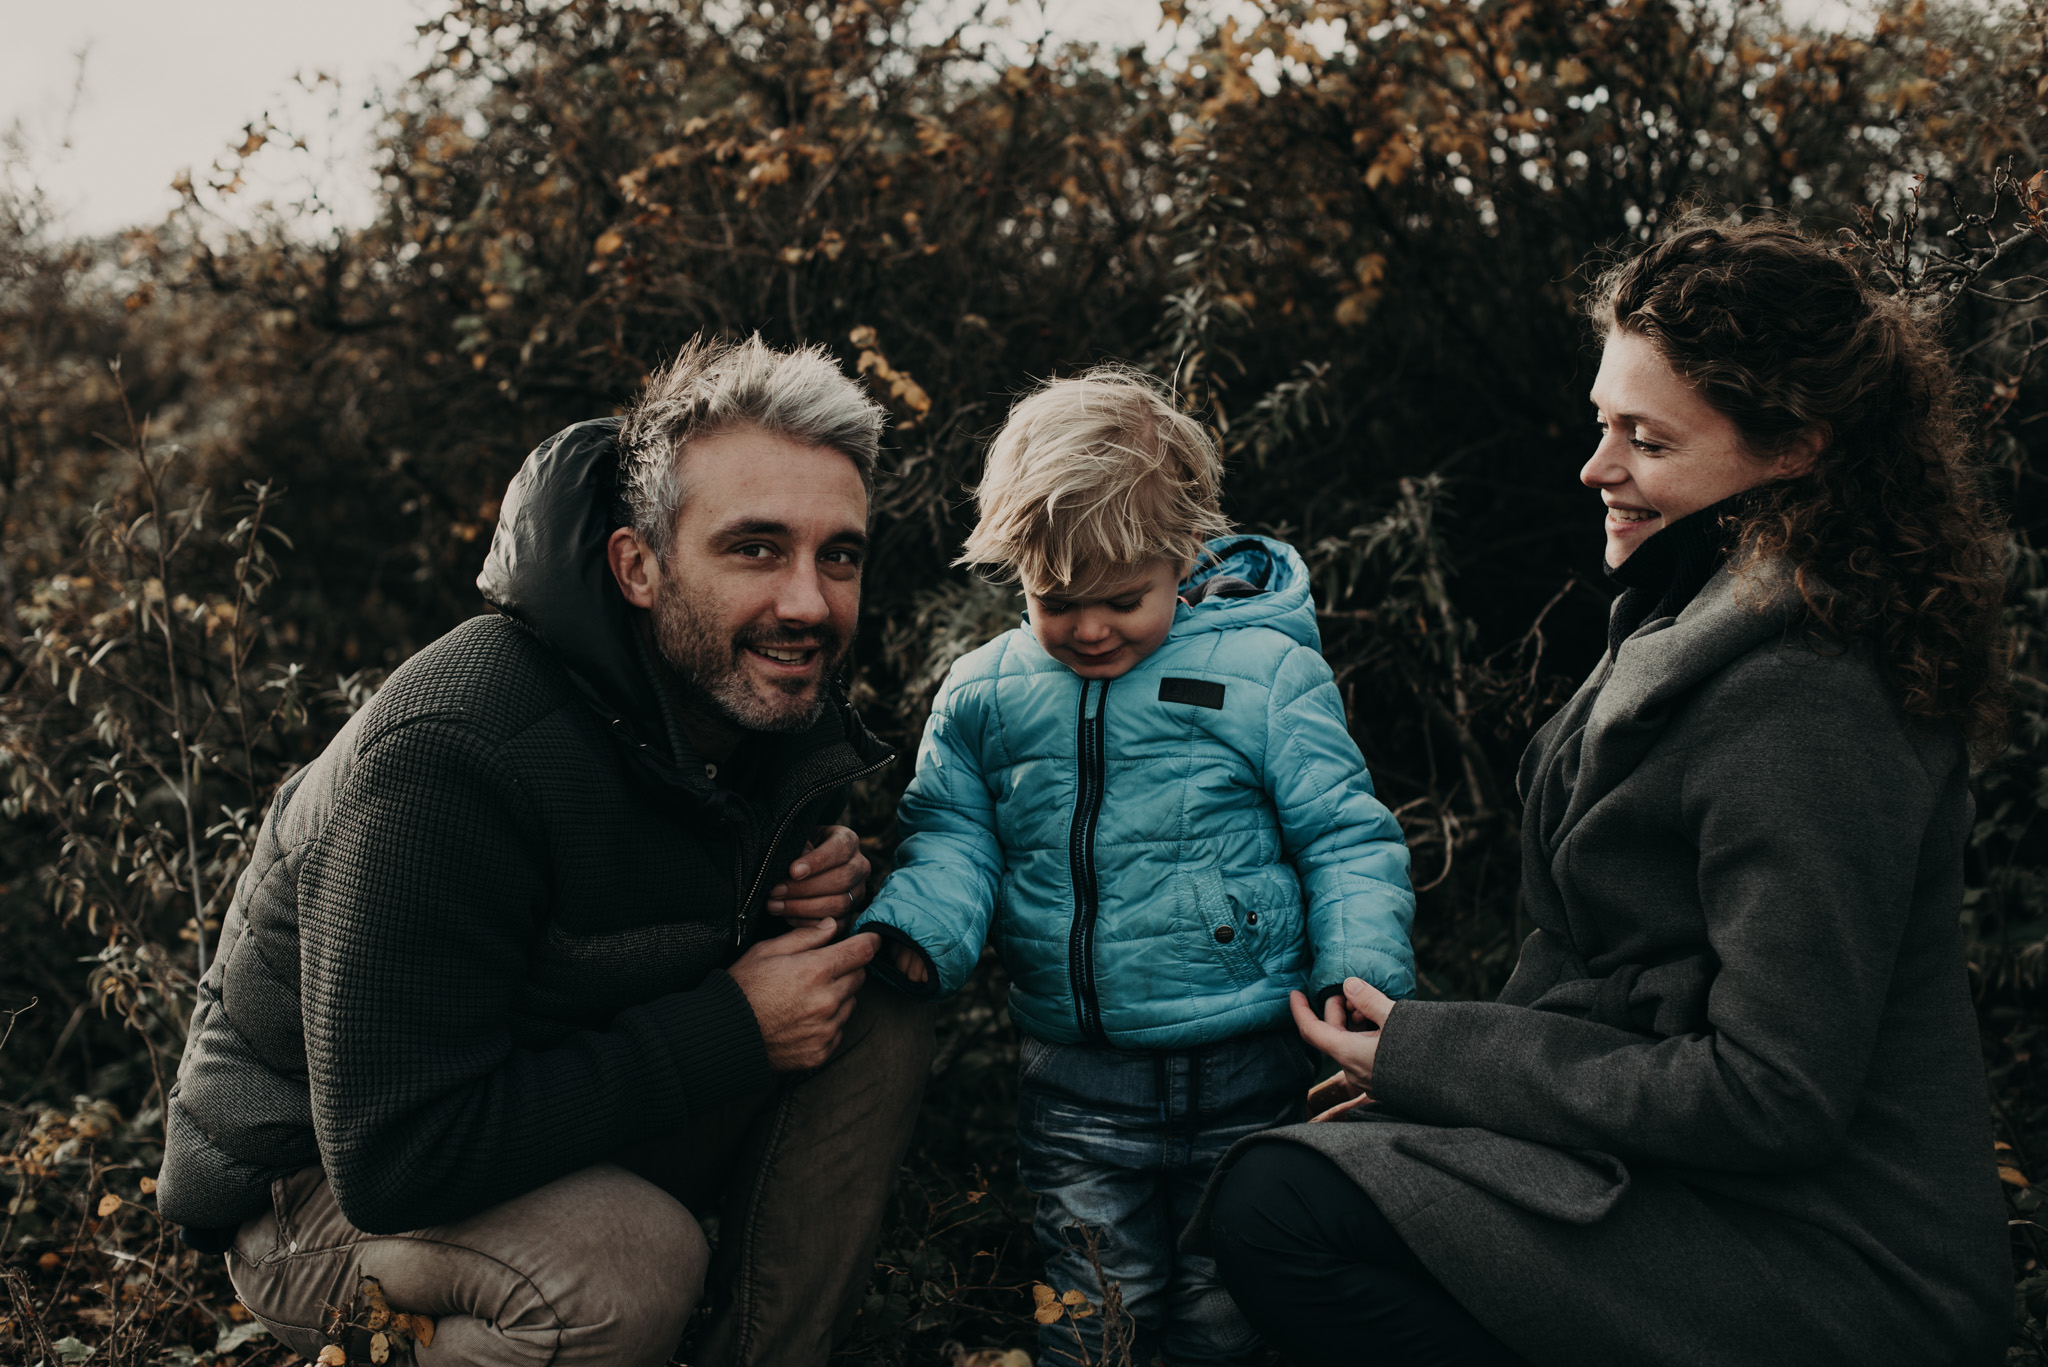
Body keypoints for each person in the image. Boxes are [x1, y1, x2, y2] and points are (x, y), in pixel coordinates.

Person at [1195, 216, 2015, 1366]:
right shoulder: (1701, 615)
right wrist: (1442, 1089)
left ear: (1792, 450)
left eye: (1646, 438)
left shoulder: (1809, 702)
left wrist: (1443, 1061)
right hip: (1692, 1190)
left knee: (1282, 1208)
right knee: (1297, 1184)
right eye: (1600, 423)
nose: (1595, 467)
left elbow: (1770, 1093)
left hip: (1839, 1268)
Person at [156, 335, 935, 1367]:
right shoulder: (454, 750)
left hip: (541, 1113)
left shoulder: (747, 704)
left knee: (868, 996)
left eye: (838, 554)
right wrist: (731, 1027)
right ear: (638, 567)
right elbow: (396, 1157)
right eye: (754, 547)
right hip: (315, 1188)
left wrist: (797, 892)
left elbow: (636, 916)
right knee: (624, 1272)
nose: (807, 601)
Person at [853, 365, 1418, 1367]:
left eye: (1122, 598)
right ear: (1014, 567)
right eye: (1054, 599)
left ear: (1182, 552)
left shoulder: (1262, 673)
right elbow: (950, 826)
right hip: (1075, 1073)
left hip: (1249, 1056)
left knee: (1223, 1306)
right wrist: (920, 923)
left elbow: (1342, 834)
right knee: (1087, 1305)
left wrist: (1358, 979)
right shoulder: (986, 691)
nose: (1088, 627)